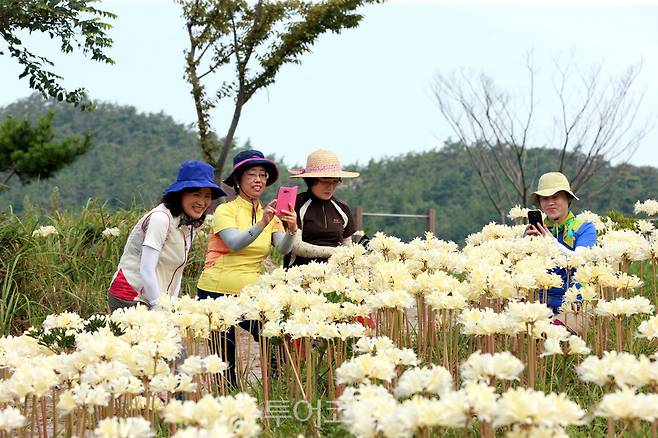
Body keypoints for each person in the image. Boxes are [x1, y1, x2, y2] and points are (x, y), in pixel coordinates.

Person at [196, 149, 297, 388]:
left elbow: (282, 248)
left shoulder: (270, 215)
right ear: (238, 180)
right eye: (251, 174)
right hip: (216, 291)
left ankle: (273, 391)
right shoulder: (225, 210)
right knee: (225, 358)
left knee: (274, 340)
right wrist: (262, 223)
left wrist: (292, 230)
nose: (258, 179)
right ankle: (228, 400)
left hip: (251, 294)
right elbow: (233, 243)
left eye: (262, 175)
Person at [108, 161, 225, 312]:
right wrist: (158, 306)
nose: (202, 202)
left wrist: (170, 305)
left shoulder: (189, 225)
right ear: (180, 193)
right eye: (196, 194)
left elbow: (178, 271)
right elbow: (146, 269)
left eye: (207, 196)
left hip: (154, 298)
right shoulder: (160, 218)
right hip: (130, 296)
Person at [525, 172, 597, 314]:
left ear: (568, 199)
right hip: (538, 306)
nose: (550, 202)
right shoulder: (534, 231)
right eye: (545, 198)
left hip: (574, 306)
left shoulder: (585, 228)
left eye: (555, 197)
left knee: (557, 330)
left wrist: (550, 242)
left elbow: (579, 260)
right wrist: (525, 244)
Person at [284, 149, 359, 267]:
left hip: (335, 277)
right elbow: (295, 246)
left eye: (335, 181)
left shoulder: (342, 208)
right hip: (300, 274)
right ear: (312, 180)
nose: (330, 187)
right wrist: (335, 251)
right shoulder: (295, 204)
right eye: (325, 181)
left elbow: (347, 245)